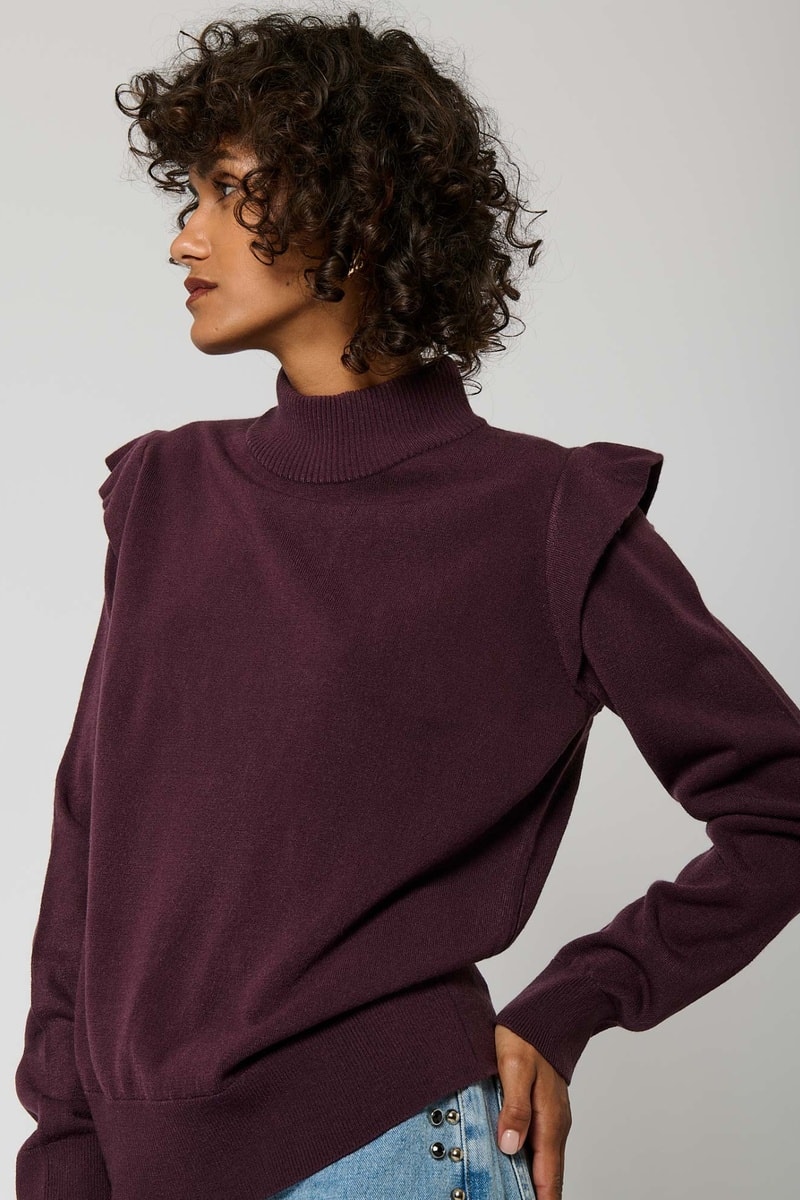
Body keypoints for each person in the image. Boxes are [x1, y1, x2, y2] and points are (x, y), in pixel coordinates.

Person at [14, 9, 800, 1200]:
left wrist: (576, 1000)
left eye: (227, 191)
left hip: (385, 1155)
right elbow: (91, 839)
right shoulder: (164, 491)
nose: (184, 239)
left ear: (359, 207)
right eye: (188, 195)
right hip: (142, 1166)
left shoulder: (543, 514)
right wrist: (62, 1152)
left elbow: (779, 803)